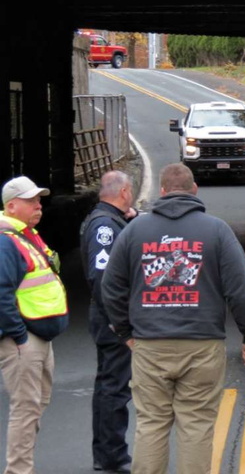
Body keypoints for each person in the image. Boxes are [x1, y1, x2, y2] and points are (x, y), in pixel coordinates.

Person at [101, 163, 245, 474]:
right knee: (197, 424)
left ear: (161, 191)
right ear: (195, 190)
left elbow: (111, 286)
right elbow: (240, 290)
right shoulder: (216, 230)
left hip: (149, 344)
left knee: (151, 424)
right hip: (202, 345)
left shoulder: (135, 230)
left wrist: (125, 332)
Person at [0, 176, 69, 474]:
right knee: (26, 409)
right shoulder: (6, 242)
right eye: (31, 201)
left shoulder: (25, 235)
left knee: (36, 403)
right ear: (11, 206)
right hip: (23, 340)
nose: (38, 205)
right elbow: (1, 293)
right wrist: (19, 337)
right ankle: (18, 471)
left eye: (38, 200)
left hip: (37, 336)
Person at [80, 171, 138, 474]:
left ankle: (107, 455)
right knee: (114, 390)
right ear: (125, 192)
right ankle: (111, 457)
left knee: (109, 387)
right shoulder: (105, 226)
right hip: (110, 321)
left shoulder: (109, 219)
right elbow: (102, 277)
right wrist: (120, 323)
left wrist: (133, 216)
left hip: (107, 319)